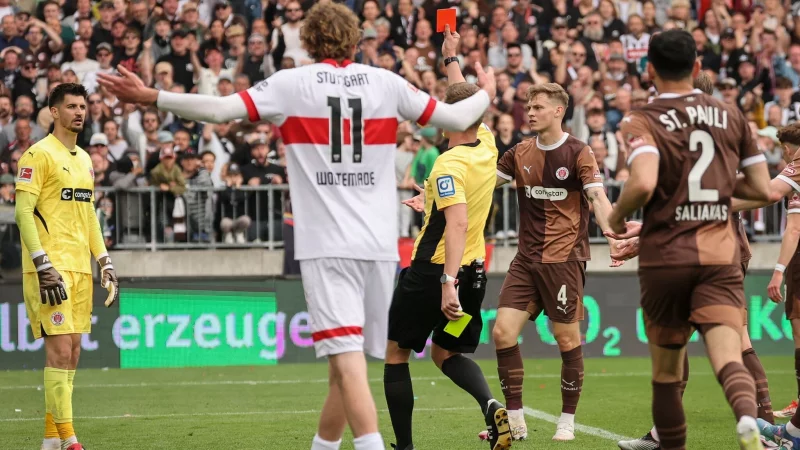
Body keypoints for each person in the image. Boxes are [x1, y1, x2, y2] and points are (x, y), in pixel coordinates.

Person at [97, 3, 496, 450]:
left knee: (347, 362)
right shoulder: (386, 83)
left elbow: (219, 110)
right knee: (344, 366)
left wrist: (154, 97)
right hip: (381, 248)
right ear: (356, 39)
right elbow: (462, 117)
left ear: (306, 40)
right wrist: (487, 90)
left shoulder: (291, 84)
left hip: (327, 246)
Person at [607, 29, 771, 450]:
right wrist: (714, 196)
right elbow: (762, 189)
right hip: (720, 254)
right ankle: (748, 422)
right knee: (729, 357)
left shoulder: (641, 118)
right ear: (697, 67)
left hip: (666, 259)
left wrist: (617, 214)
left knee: (666, 373)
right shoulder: (732, 115)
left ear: (649, 69)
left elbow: (642, 183)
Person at [384, 26, 511, 450]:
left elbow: (456, 223)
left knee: (397, 353)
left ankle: (404, 447)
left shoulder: (447, 164)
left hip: (436, 274)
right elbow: (466, 103)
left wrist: (446, 282)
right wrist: (450, 59)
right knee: (446, 353)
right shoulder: (487, 144)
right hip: (476, 270)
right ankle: (492, 405)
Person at [490, 81, 617, 442]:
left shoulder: (579, 152)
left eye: (538, 107)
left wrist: (612, 232)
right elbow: (485, 185)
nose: (530, 112)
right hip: (525, 259)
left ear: (559, 111)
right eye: (529, 107)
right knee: (501, 333)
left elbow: (597, 196)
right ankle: (514, 415)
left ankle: (567, 419)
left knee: (565, 339)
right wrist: (438, 192)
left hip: (564, 260)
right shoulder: (518, 152)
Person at [13, 83, 119, 450]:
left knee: (73, 352)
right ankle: (71, 441)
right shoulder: (37, 155)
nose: (79, 112)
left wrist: (103, 259)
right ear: (53, 112)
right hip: (49, 269)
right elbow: (22, 211)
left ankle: (50, 440)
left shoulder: (85, 159)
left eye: (83, 106)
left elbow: (87, 213)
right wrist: (42, 264)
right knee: (59, 352)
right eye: (71, 106)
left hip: (79, 268)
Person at [749, 124, 800, 448]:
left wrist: (778, 271)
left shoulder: (796, 168)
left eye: (784, 148)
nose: (783, 154)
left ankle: (791, 434)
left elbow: (793, 228)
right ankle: (793, 431)